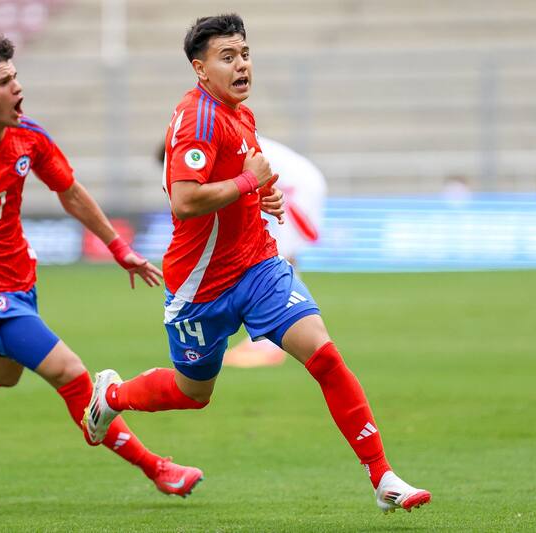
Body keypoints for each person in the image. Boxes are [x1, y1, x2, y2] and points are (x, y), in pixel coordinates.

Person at [83, 14, 431, 514]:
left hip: (258, 267)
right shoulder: (197, 119)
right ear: (200, 69)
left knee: (325, 357)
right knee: (192, 393)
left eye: (244, 54)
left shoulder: (240, 114)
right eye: (227, 57)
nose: (241, 65)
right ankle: (113, 397)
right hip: (201, 285)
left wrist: (264, 193)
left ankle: (383, 477)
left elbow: (249, 172)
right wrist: (249, 183)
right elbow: (185, 201)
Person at [0, 35, 203, 498]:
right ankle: (158, 469)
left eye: (16, 77)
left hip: (20, 279)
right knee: (69, 372)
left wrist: (118, 247)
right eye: (4, 82)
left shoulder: (27, 135)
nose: (17, 87)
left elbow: (70, 192)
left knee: (2, 372)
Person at [223, 135, 327, 368]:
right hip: (293, 185)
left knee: (276, 259)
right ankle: (273, 335)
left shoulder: (226, 138)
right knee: (280, 257)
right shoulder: (234, 132)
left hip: (296, 188)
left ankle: (269, 341)